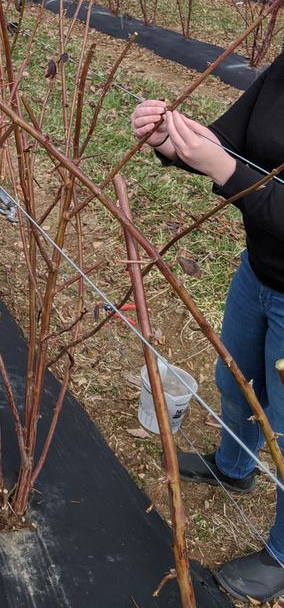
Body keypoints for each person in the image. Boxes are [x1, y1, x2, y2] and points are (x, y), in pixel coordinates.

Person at [131, 55, 284, 603]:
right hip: (261, 269)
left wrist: (226, 170)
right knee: (235, 377)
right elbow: (227, 142)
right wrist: (169, 140)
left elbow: (230, 167)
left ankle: (283, 554)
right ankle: (235, 465)